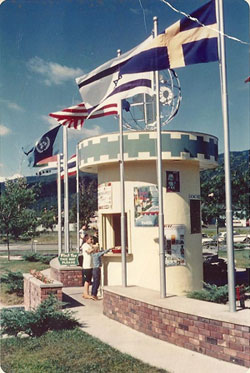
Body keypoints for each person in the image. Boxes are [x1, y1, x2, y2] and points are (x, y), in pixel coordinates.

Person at [82, 234, 94, 299]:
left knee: (89, 280)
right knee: (87, 280)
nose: (92, 240)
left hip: (90, 265)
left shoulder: (89, 245)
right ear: (86, 240)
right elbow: (88, 252)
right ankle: (86, 293)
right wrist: (94, 248)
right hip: (87, 266)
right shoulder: (85, 245)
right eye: (90, 239)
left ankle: (85, 293)